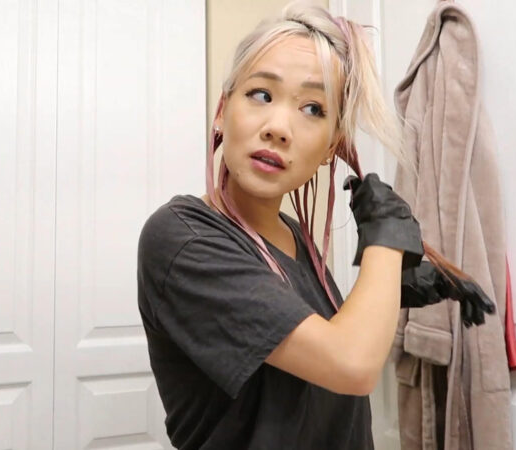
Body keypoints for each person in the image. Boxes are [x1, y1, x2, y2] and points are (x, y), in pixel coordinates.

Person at [136, 2, 494, 448]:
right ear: (222, 111)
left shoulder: (294, 238)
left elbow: (310, 348)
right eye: (261, 95)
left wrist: (393, 287)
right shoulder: (182, 237)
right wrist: (386, 242)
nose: (279, 128)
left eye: (312, 109)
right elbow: (351, 365)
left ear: (331, 148)